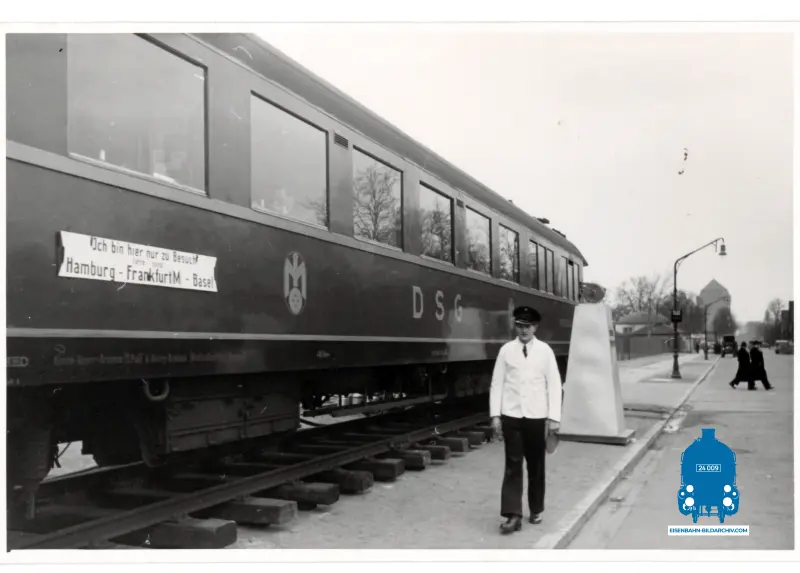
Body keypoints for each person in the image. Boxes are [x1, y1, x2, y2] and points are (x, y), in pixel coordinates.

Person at [489, 305, 562, 534]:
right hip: (512, 416)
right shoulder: (506, 351)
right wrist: (495, 415)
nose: (523, 330)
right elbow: (497, 383)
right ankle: (513, 515)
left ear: (535, 327)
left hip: (536, 417)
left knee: (536, 465)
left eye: (528, 326)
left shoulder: (545, 351)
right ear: (515, 326)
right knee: (513, 465)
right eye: (520, 325)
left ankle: (536, 508)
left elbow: (554, 385)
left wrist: (554, 418)